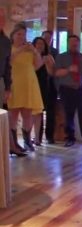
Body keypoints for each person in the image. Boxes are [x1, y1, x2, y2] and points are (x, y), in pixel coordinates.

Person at [54, 34, 82, 148]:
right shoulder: (61, 57)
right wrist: (68, 69)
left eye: (76, 42)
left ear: (79, 43)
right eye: (72, 42)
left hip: (81, 89)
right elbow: (56, 73)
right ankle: (70, 138)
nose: (74, 44)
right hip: (67, 89)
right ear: (68, 43)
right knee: (68, 115)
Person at [8, 23, 44, 153]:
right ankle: (13, 143)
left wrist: (34, 51)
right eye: (19, 34)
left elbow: (39, 64)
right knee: (13, 113)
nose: (22, 37)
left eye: (23, 35)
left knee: (27, 114)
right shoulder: (9, 48)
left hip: (29, 83)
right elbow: (8, 61)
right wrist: (20, 50)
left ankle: (28, 141)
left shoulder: (29, 50)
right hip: (14, 83)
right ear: (13, 36)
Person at [0, 9, 25, 157]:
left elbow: (7, 65)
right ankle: (11, 146)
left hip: (1, 81)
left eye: (2, 18)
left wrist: (8, 87)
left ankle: (10, 146)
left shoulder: (5, 42)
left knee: (3, 116)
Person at [32, 37, 55, 145]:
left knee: (40, 111)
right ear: (34, 45)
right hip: (32, 85)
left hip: (44, 85)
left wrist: (47, 63)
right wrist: (41, 62)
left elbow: (51, 73)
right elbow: (32, 69)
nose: (40, 45)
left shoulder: (49, 56)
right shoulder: (31, 56)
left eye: (42, 43)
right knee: (31, 112)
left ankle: (38, 138)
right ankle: (30, 137)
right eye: (38, 43)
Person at [41, 30, 59, 144]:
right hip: (38, 83)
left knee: (51, 111)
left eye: (50, 38)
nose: (48, 40)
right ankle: (37, 136)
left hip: (51, 84)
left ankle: (49, 136)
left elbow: (56, 68)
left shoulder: (55, 52)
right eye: (46, 37)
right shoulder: (36, 50)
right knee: (37, 111)